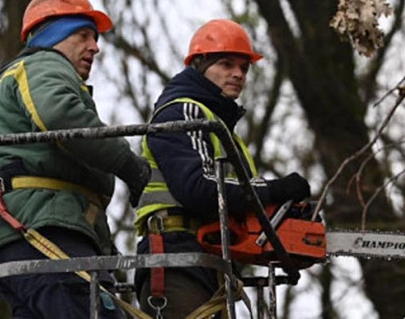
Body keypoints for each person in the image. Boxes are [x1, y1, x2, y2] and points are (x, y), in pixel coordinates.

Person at [0, 0, 151, 318]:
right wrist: (130, 165)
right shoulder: (44, 63)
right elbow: (59, 115)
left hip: (28, 236)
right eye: (84, 35)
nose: (95, 47)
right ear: (54, 36)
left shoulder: (31, 73)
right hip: (43, 231)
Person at [134, 19, 312, 318]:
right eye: (227, 64)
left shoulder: (223, 131)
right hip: (174, 253)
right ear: (200, 65)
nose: (238, 74)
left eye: (244, 68)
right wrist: (275, 190)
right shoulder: (184, 111)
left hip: (209, 258)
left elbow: (240, 202)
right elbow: (199, 189)